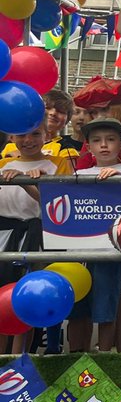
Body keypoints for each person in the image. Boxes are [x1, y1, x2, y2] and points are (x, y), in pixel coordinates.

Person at [70, 118, 121, 354]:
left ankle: (104, 353)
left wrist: (118, 179)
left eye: (110, 139)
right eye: (97, 140)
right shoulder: (79, 173)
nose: (104, 145)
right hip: (80, 247)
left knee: (108, 301)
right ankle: (75, 353)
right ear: (88, 146)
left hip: (112, 247)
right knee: (77, 303)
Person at [0, 124, 71, 354]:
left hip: (40, 237)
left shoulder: (59, 164)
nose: (28, 140)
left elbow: (58, 208)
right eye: (21, 134)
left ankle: (22, 357)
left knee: (29, 294)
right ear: (12, 137)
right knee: (3, 295)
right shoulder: (3, 164)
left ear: (47, 135)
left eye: (36, 134)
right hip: (5, 236)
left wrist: (28, 184)